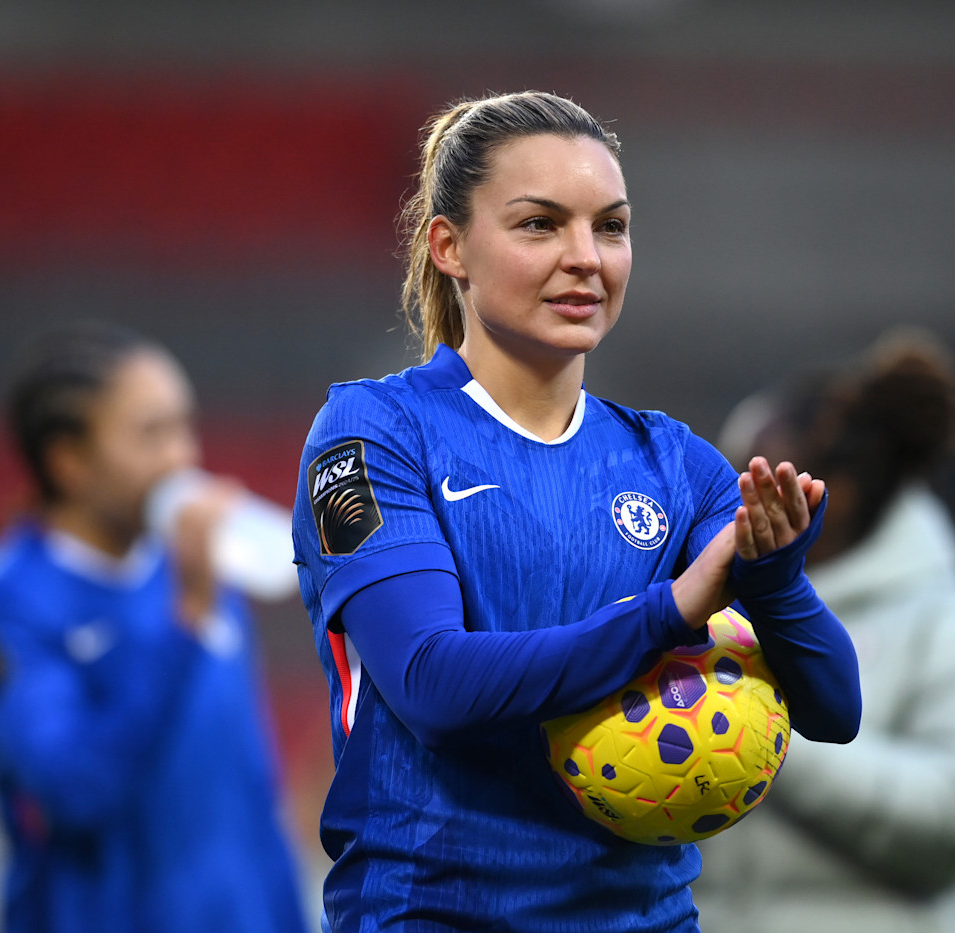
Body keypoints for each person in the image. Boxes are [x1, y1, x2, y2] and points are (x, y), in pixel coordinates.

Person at [291, 90, 862, 933]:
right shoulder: (372, 435)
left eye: (611, 226)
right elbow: (431, 685)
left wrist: (774, 582)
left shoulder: (673, 462)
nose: (585, 257)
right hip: (434, 914)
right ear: (450, 247)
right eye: (538, 225)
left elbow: (835, 709)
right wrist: (667, 611)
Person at [0, 322, 308, 933]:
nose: (182, 458)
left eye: (183, 426)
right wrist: (182, 624)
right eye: (150, 434)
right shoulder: (4, 607)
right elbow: (75, 789)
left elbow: (249, 793)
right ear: (69, 461)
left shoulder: (192, 565)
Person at [693, 328, 955, 933]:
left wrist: (754, 733)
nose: (733, 506)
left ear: (838, 495)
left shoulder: (950, 626)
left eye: (757, 486)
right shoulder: (712, 607)